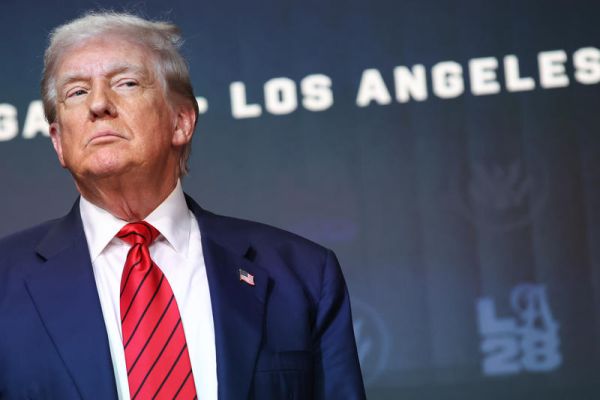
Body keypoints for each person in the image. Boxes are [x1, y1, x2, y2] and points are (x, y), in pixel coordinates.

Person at [0, 11, 365, 400]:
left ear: (181, 121)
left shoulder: (302, 274)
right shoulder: (5, 281)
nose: (99, 105)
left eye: (125, 82)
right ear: (57, 140)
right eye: (76, 92)